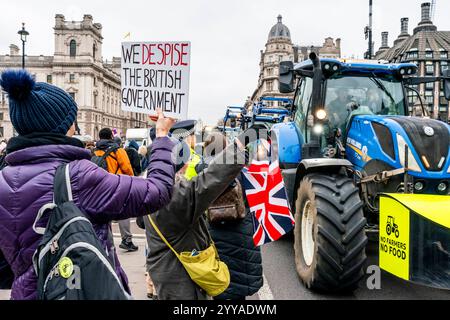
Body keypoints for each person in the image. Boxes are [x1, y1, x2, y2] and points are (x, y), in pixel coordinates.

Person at [0, 69, 175, 300]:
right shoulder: (79, 175)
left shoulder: (2, 178)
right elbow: (157, 192)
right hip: (82, 291)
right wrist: (162, 137)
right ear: (64, 125)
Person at [143, 131, 250, 300]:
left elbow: (141, 223)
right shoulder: (173, 197)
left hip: (164, 271)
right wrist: (236, 150)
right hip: (180, 278)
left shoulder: (147, 190)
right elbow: (207, 183)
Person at [204, 132, 263, 300]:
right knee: (238, 288)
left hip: (213, 235)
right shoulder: (241, 170)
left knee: (218, 286)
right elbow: (254, 201)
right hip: (240, 233)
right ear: (225, 147)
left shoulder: (202, 173)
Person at [94, 129, 138, 252]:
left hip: (100, 185)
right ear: (111, 136)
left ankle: (106, 240)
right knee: (123, 211)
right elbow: (127, 168)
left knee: (105, 213)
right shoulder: (118, 150)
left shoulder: (95, 151)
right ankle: (126, 240)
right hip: (117, 183)